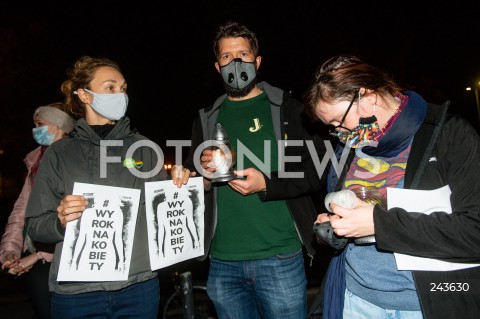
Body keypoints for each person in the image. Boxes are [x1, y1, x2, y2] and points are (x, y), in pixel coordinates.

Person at [303, 54, 480, 319]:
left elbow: (474, 231)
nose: (340, 133)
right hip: (356, 301)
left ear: (368, 97)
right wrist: (335, 227)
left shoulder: (450, 136)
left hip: (426, 305)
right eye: (333, 127)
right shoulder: (348, 148)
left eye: (340, 121)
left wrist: (379, 224)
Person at [24, 56, 189, 318]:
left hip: (138, 288)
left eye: (123, 89)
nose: (120, 95)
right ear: (84, 95)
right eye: (110, 87)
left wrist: (179, 185)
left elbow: (165, 215)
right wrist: (60, 221)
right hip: (77, 294)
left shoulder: (144, 148)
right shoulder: (59, 153)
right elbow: (34, 224)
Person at [182, 21, 325, 319]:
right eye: (226, 57)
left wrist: (267, 184)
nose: (235, 63)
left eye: (243, 55)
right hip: (222, 262)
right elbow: (196, 185)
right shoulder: (204, 120)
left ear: (257, 62)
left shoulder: (290, 110)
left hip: (280, 257)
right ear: (217, 66)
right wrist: (199, 179)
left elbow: (317, 171)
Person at [0, 102, 74, 319]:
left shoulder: (75, 159)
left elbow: (76, 216)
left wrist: (37, 256)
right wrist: (10, 252)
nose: (35, 130)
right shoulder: (36, 162)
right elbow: (20, 212)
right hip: (39, 259)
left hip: (66, 258)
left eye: (40, 124)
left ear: (58, 124)